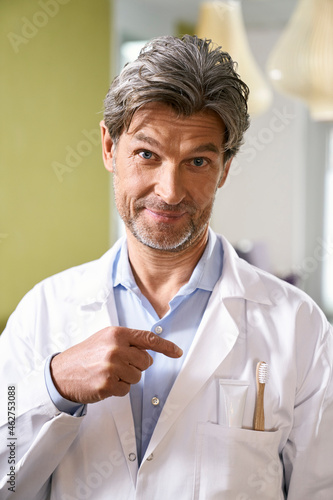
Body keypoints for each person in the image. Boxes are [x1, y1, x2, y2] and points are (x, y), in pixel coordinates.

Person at [0, 35, 332, 500]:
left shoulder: (300, 327)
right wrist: (53, 388)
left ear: (225, 168)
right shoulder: (43, 312)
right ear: (108, 148)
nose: (170, 190)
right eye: (147, 154)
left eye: (197, 160)